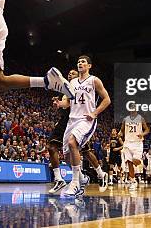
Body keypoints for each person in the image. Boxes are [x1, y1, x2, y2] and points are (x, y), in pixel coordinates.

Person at [54, 56, 111, 197]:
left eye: (83, 62)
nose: (80, 63)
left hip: (86, 120)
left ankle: (75, 184)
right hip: (72, 120)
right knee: (67, 157)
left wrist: (95, 112)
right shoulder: (72, 82)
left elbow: (107, 99)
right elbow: (67, 103)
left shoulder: (94, 80)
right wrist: (59, 104)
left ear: (89, 66)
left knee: (73, 142)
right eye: (79, 62)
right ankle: (86, 178)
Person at [120, 110, 150, 191]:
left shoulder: (141, 118)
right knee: (129, 163)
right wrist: (120, 133)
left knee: (135, 160)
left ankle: (139, 164)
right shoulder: (125, 119)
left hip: (137, 143)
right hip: (128, 142)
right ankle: (133, 181)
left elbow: (147, 130)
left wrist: (142, 134)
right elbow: (121, 130)